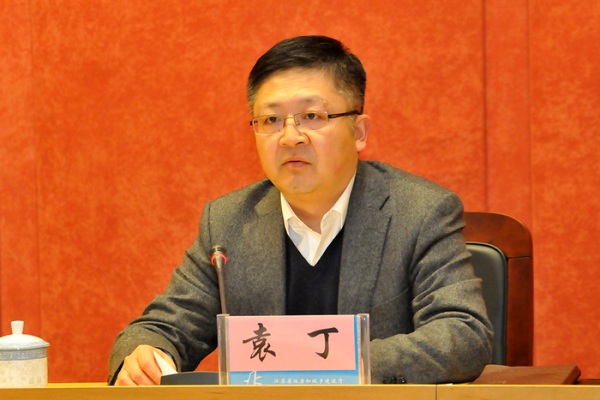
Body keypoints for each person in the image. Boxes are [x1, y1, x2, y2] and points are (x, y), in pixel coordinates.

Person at [108, 35, 492, 385]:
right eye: (271, 120)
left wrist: (332, 361)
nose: (290, 137)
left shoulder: (420, 212)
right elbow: (162, 327)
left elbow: (462, 333)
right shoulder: (227, 222)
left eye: (312, 116)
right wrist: (145, 354)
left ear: (359, 132)